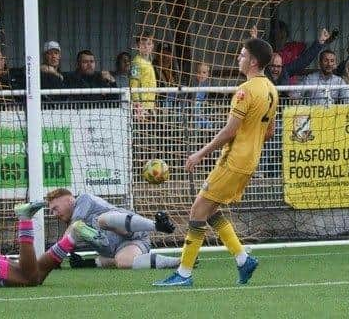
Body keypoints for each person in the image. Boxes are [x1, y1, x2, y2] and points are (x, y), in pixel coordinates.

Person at [154, 38, 278, 287]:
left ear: (253, 62)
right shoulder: (271, 89)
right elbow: (270, 132)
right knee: (210, 211)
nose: (238, 58)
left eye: (242, 55)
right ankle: (243, 259)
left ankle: (184, 274)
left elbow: (230, 131)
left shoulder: (245, 90)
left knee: (197, 210)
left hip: (234, 161)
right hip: (250, 161)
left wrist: (199, 153)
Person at [30, 188, 179, 279]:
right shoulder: (73, 225)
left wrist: (52, 259)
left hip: (135, 235)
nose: (54, 213)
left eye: (55, 208)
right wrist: (85, 263)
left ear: (69, 200)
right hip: (120, 249)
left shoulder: (83, 200)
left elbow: (71, 232)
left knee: (101, 220)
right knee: (123, 262)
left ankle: (156, 225)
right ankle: (177, 261)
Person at [130, 32, 157, 120]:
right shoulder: (136, 62)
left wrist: (153, 104)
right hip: (141, 107)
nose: (146, 46)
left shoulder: (149, 62)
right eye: (143, 44)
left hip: (150, 105)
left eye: (149, 44)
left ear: (152, 46)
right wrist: (137, 104)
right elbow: (133, 84)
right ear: (138, 46)